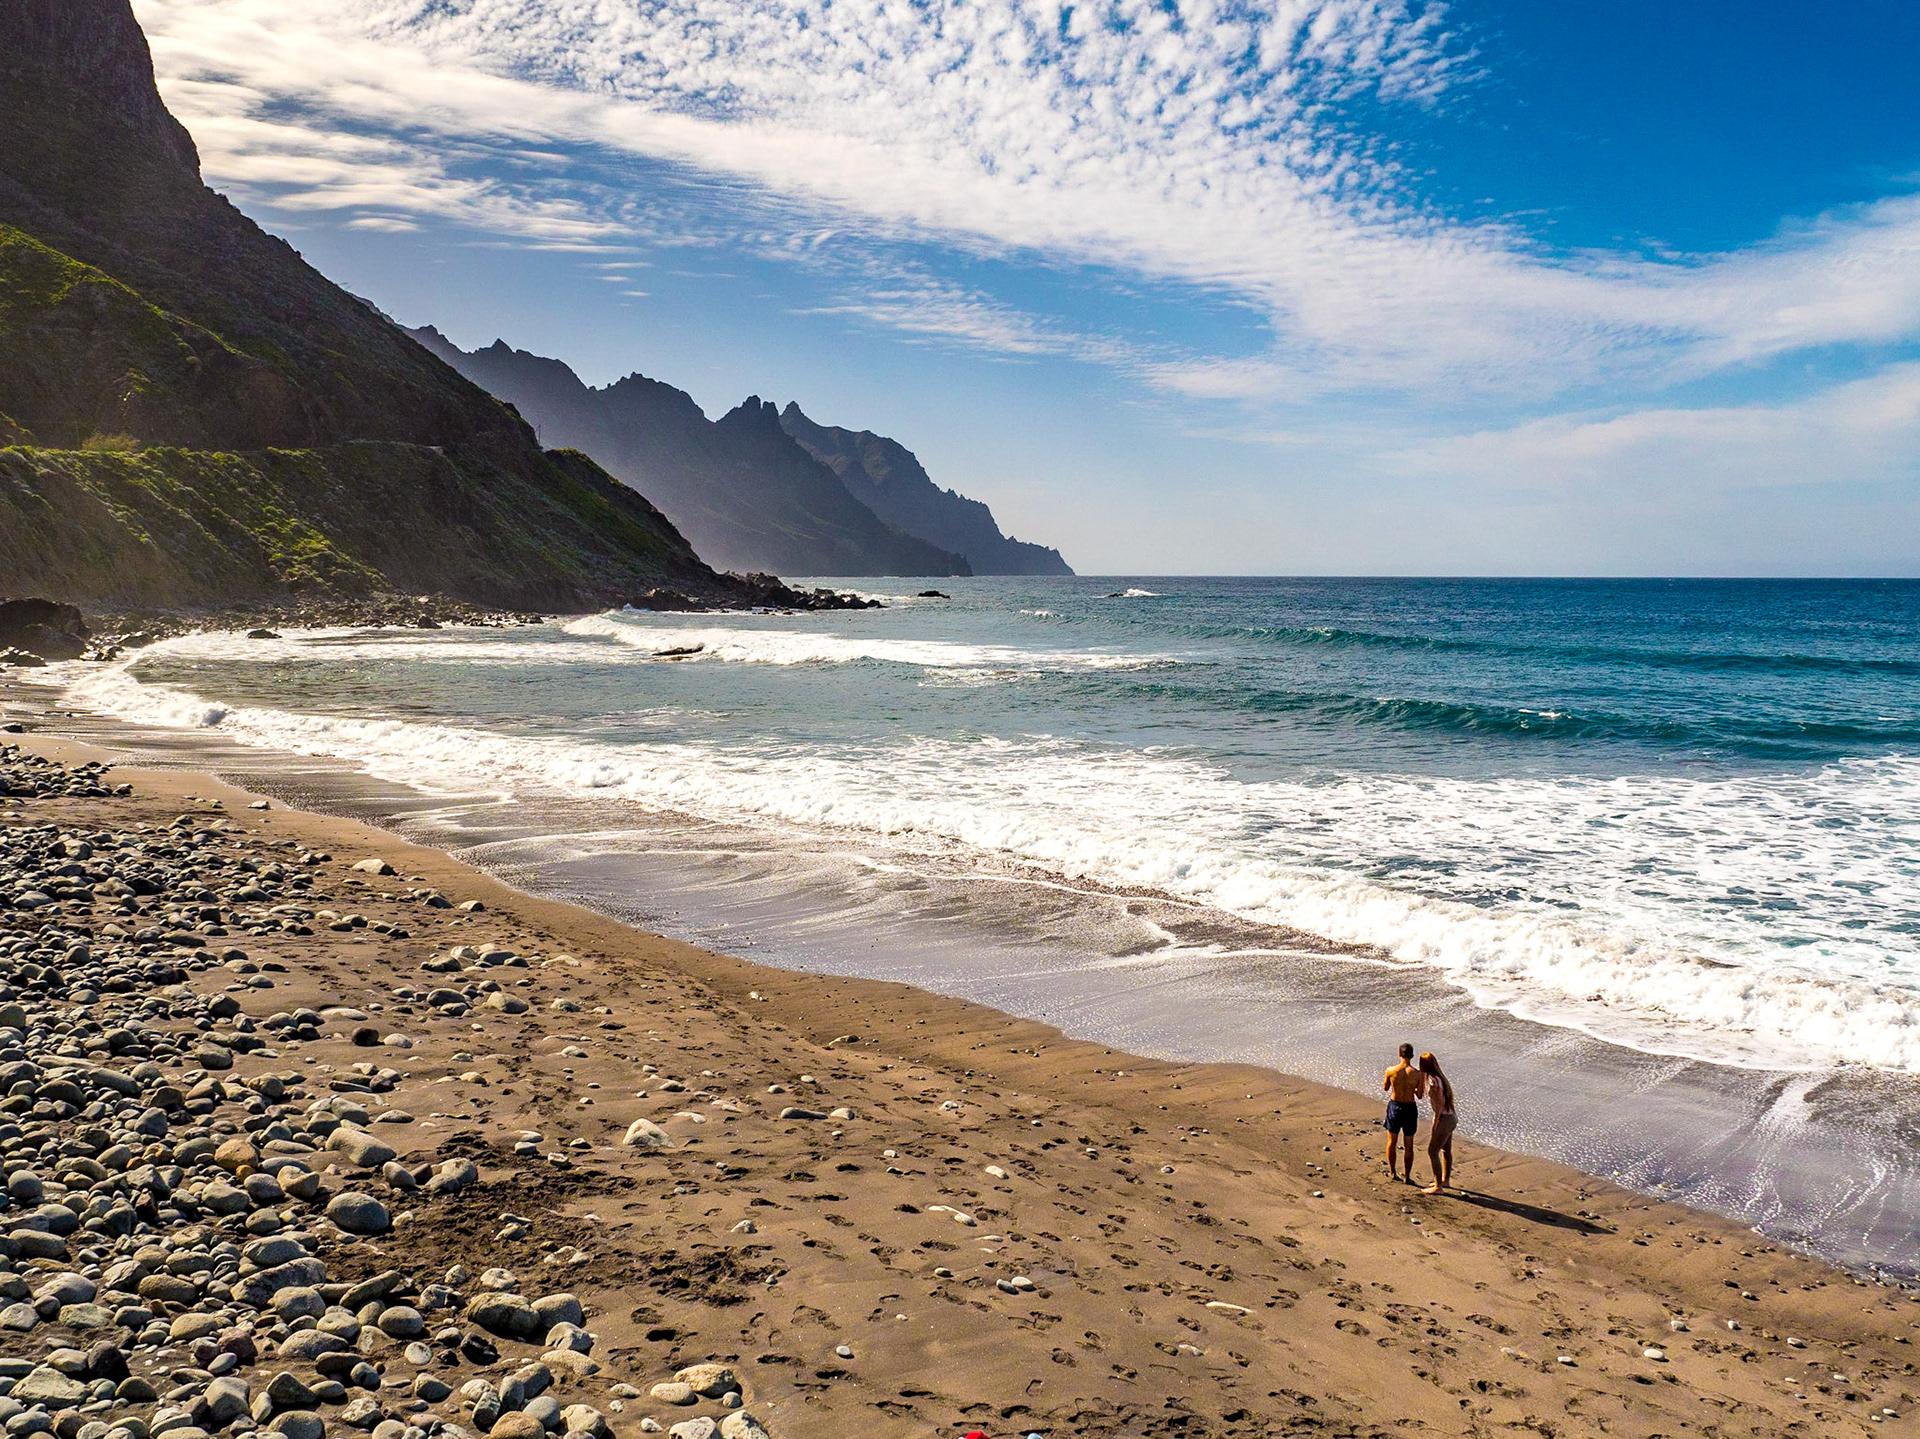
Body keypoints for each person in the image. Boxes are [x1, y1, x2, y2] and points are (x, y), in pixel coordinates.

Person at [1381, 1041, 1424, 1182]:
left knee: (1392, 1141)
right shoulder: (1418, 1074)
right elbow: (1419, 1095)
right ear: (1412, 1056)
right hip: (1410, 1107)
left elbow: (1386, 1088)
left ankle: (1393, 1172)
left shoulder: (1391, 1070)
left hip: (1395, 1106)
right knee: (1409, 1144)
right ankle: (1408, 1176)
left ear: (1399, 1054)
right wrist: (1412, 1087)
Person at [1418, 1052, 1456, 1194]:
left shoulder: (1434, 1082)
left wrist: (1435, 1122)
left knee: (1433, 1151)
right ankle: (1445, 1180)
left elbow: (1440, 1103)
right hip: (1451, 1117)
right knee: (1446, 1150)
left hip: (1444, 1119)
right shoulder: (1441, 1078)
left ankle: (1438, 1186)